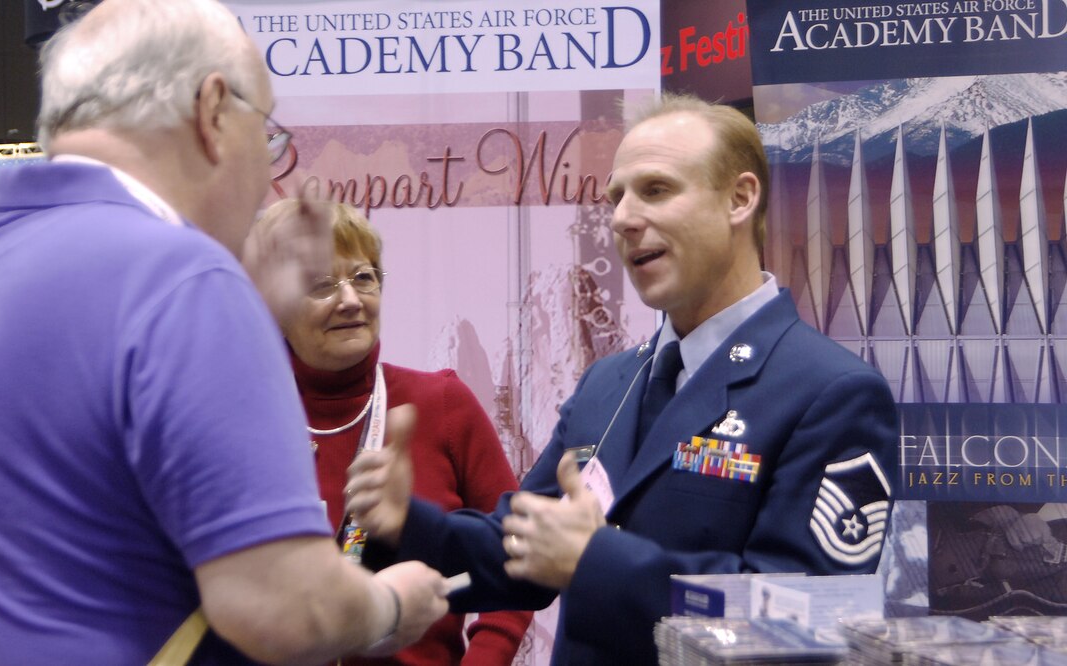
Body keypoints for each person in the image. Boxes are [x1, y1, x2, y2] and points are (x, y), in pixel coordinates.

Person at [346, 93, 900, 665]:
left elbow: (806, 619)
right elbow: (522, 546)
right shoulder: (608, 382)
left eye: (655, 190)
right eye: (616, 197)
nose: (622, 218)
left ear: (739, 199)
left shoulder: (831, 393)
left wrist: (594, 562)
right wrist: (406, 523)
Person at [0, 1, 448, 664]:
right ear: (213, 110)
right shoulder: (182, 279)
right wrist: (392, 605)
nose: (267, 173)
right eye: (267, 133)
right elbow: (282, 607)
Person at [262, 199, 532, 665]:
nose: (350, 300)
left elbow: (518, 554)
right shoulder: (245, 422)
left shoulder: (442, 404)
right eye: (322, 285)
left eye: (363, 277)